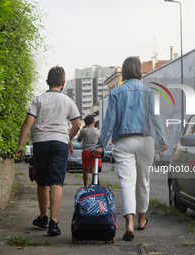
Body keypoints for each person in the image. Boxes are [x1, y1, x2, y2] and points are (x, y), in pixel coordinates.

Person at [93, 57, 168, 241]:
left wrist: (101, 143)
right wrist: (163, 139)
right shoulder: (149, 91)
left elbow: (109, 121)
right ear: (139, 71)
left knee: (126, 182)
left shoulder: (117, 92)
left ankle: (129, 223)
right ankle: (142, 219)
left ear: (125, 72)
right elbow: (155, 117)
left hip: (124, 142)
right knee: (143, 181)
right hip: (145, 141)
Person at [15, 66, 80, 236]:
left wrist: (20, 145)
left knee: (42, 181)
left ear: (47, 82)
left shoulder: (38, 99)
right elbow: (76, 125)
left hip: (41, 143)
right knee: (56, 181)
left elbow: (28, 122)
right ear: (63, 83)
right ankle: (54, 223)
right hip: (59, 143)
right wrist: (68, 139)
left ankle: (43, 217)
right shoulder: (68, 101)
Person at [77, 116, 101, 186]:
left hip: (86, 151)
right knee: (94, 169)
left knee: (85, 169)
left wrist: (82, 129)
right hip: (95, 151)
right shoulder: (97, 131)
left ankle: (85, 185)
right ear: (93, 122)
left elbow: (78, 140)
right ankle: (95, 184)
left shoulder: (83, 131)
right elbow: (100, 141)